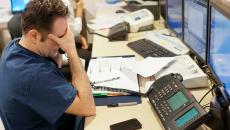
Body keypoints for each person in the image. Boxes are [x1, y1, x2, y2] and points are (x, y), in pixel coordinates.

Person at [0, 0, 96, 130]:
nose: (63, 43)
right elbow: (88, 107)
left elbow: (57, 62)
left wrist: (55, 53)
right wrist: (72, 50)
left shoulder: (13, 46)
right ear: (34, 35)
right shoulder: (36, 76)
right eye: (59, 37)